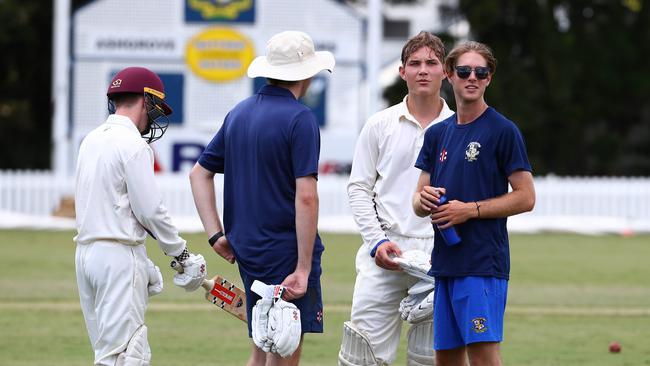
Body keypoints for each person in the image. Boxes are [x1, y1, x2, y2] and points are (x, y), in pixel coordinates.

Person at [189, 31, 334, 366]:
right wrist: (302, 267)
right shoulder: (300, 118)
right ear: (305, 73)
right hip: (284, 250)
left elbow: (199, 174)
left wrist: (215, 235)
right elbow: (307, 197)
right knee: (284, 346)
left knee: (262, 346)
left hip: (248, 251)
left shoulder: (239, 112)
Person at [413, 41, 536, 366]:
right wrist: (422, 200)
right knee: (447, 360)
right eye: (464, 71)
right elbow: (418, 200)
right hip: (445, 265)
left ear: (489, 78)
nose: (472, 78)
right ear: (450, 75)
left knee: (483, 359)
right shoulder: (438, 134)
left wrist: (470, 210)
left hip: (482, 264)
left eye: (481, 72)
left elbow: (526, 196)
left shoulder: (503, 130)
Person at [74, 66, 207, 366]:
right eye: (155, 108)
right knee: (127, 356)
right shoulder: (132, 144)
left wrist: (141, 260)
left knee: (107, 353)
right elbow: (150, 210)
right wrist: (182, 254)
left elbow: (106, 206)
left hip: (86, 257)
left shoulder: (91, 140)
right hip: (117, 258)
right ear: (145, 100)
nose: (154, 117)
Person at [340, 31, 454, 366]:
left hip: (440, 253)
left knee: (430, 359)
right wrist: (376, 242)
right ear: (402, 71)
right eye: (414, 63)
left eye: (431, 63)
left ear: (445, 71)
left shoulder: (460, 127)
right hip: (385, 251)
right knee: (363, 356)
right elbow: (358, 188)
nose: (423, 70)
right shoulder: (379, 124)